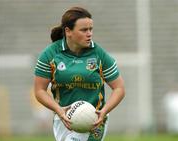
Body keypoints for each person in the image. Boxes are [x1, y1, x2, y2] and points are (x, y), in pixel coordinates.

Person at [34, 6, 125, 141]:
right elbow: (39, 91)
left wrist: (104, 111)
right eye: (84, 30)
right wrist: (59, 110)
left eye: (91, 29)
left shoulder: (99, 54)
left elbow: (119, 88)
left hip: (94, 121)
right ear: (68, 31)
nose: (89, 34)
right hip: (63, 120)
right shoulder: (50, 54)